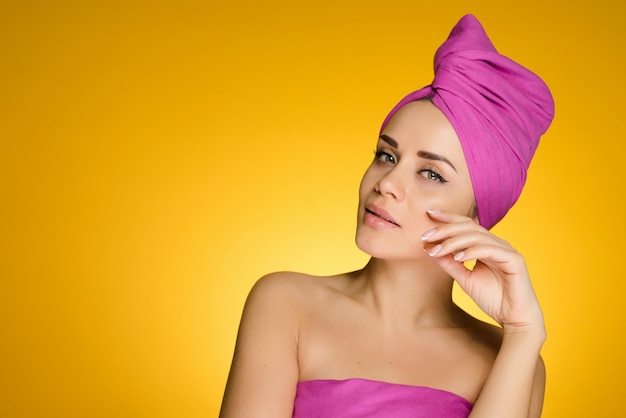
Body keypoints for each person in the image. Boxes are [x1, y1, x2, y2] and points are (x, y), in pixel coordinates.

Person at [220, 14, 554, 418]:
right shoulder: (285, 304)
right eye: (386, 155)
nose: (387, 182)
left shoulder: (515, 360)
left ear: (478, 214)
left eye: (430, 173)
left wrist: (523, 333)